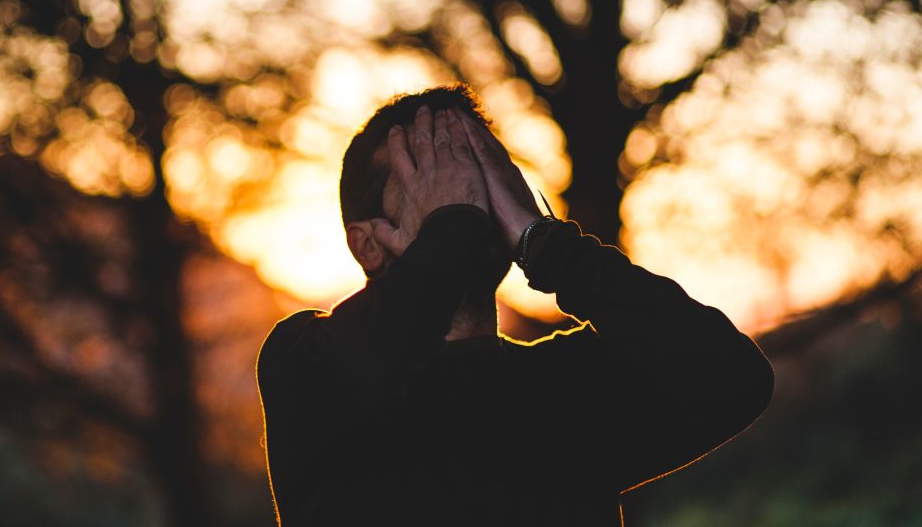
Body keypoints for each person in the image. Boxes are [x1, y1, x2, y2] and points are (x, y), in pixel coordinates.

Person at [256, 85, 774, 526]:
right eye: (435, 177)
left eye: (479, 172)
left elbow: (734, 379)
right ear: (367, 244)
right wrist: (454, 225)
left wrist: (543, 243)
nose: (468, 195)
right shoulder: (305, 363)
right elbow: (374, 356)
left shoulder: (568, 385)